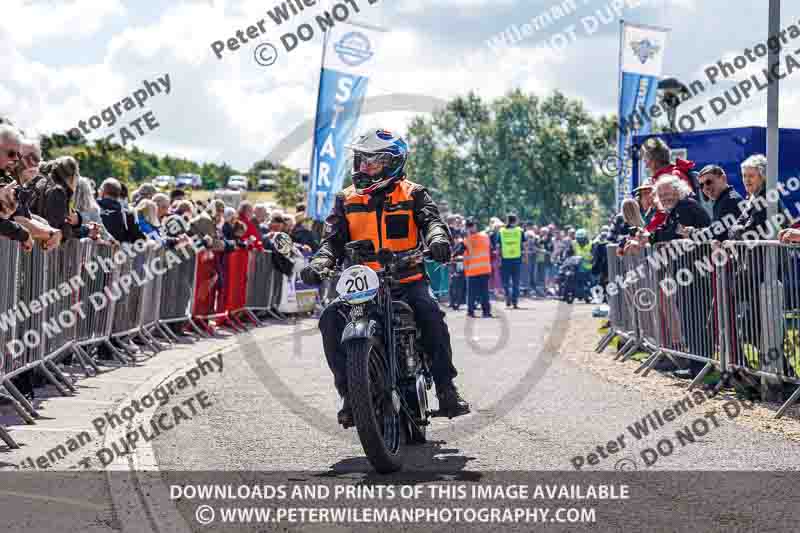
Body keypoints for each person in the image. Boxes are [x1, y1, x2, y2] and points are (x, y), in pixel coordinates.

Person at [300, 128, 469, 426]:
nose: (364, 168)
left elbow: (431, 221)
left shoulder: (414, 193)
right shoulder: (346, 199)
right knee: (329, 318)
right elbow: (332, 240)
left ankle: (446, 389)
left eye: (372, 162)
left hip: (406, 279)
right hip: (362, 286)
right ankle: (350, 395)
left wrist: (439, 240)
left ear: (392, 163)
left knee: (430, 314)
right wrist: (321, 262)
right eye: (361, 161)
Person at [457, 218, 492, 318]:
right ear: (475, 226)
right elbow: (490, 248)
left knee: (471, 293)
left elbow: (458, 251)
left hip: (472, 270)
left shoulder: (467, 240)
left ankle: (470, 312)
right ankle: (486, 312)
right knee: (484, 292)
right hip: (485, 269)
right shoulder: (485, 237)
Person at [98, 177, 145, 244]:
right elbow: (138, 238)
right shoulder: (128, 214)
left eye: (100, 189)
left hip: (90, 252)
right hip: (119, 252)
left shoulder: (94, 210)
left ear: (103, 191)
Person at [495, 213, 526, 309]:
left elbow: (498, 246)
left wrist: (498, 258)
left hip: (505, 259)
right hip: (517, 258)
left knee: (505, 281)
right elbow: (524, 246)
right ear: (515, 221)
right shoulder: (520, 231)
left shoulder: (501, 231)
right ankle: (515, 301)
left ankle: (508, 296)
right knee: (516, 281)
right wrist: (525, 256)